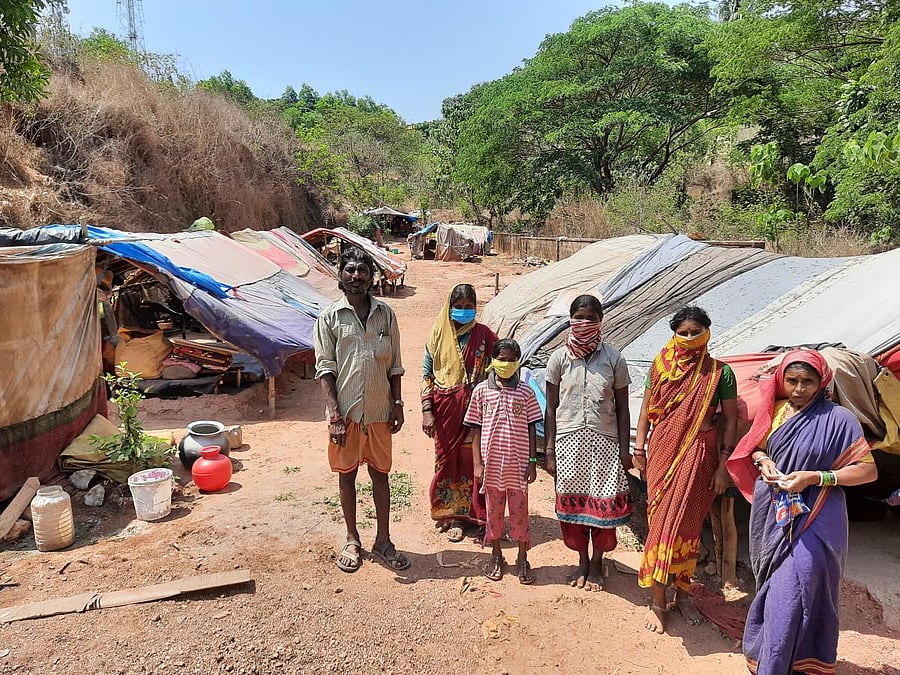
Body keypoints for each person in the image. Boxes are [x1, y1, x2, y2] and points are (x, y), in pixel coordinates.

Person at [727, 350, 877, 675]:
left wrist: (816, 477)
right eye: (791, 381)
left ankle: (777, 666)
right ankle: (782, 661)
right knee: (775, 591)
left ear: (821, 382)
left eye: (807, 381)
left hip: (818, 517)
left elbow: (867, 470)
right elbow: (756, 446)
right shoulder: (777, 412)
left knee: (796, 589)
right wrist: (763, 462)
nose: (798, 389)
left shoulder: (839, 419)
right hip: (774, 515)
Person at [633, 306, 738, 634]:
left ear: (707, 331)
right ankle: (658, 602)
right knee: (661, 524)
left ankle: (684, 592)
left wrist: (724, 465)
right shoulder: (661, 365)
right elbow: (646, 408)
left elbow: (732, 419)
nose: (690, 337)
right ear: (674, 333)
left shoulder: (721, 373)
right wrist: (639, 448)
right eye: (684, 332)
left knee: (689, 526)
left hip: (700, 454)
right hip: (663, 450)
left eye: (696, 331)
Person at [314, 246, 411, 573]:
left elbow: (395, 364)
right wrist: (335, 416)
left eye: (363, 271)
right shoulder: (329, 317)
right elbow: (325, 368)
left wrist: (397, 403)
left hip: (381, 411)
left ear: (372, 276)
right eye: (350, 270)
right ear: (340, 275)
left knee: (381, 475)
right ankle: (352, 539)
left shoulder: (386, 315)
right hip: (346, 415)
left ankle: (383, 540)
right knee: (347, 475)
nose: (356, 276)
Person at [544, 295, 632, 591]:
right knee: (573, 509)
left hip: (604, 444)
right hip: (569, 444)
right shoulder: (558, 359)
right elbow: (550, 407)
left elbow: (623, 408)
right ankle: (581, 560)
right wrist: (549, 449)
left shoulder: (614, 358)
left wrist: (624, 450)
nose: (584, 324)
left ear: (600, 322)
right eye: (578, 317)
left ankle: (597, 562)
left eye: (590, 318)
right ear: (570, 320)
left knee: (602, 508)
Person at [421, 284, 498, 542]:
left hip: (477, 413)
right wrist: (426, 410)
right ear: (449, 307)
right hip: (444, 412)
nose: (464, 311)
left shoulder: (486, 336)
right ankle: (452, 515)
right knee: (448, 463)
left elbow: (500, 369)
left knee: (473, 462)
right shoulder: (437, 335)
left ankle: (475, 517)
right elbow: (427, 374)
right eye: (459, 307)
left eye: (469, 307)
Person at [464, 338, 543, 584]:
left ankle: (522, 557)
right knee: (494, 512)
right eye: (502, 359)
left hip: (518, 466)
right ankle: (496, 554)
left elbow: (532, 428)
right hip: (491, 466)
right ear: (493, 361)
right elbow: (475, 429)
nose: (506, 364)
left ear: (518, 362)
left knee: (520, 513)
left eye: (511, 360)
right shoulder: (481, 391)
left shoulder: (526, 392)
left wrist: (532, 461)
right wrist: (477, 462)